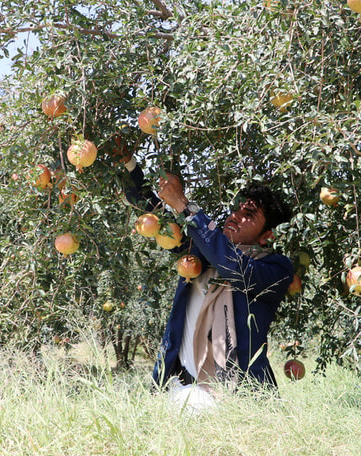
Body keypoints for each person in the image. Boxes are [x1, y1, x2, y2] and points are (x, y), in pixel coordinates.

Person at [121, 154, 294, 392]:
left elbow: (235, 267)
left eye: (249, 215)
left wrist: (183, 204)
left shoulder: (276, 270)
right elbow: (155, 217)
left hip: (236, 398)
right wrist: (128, 164)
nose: (235, 217)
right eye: (237, 210)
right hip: (179, 389)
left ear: (267, 236)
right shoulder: (200, 253)